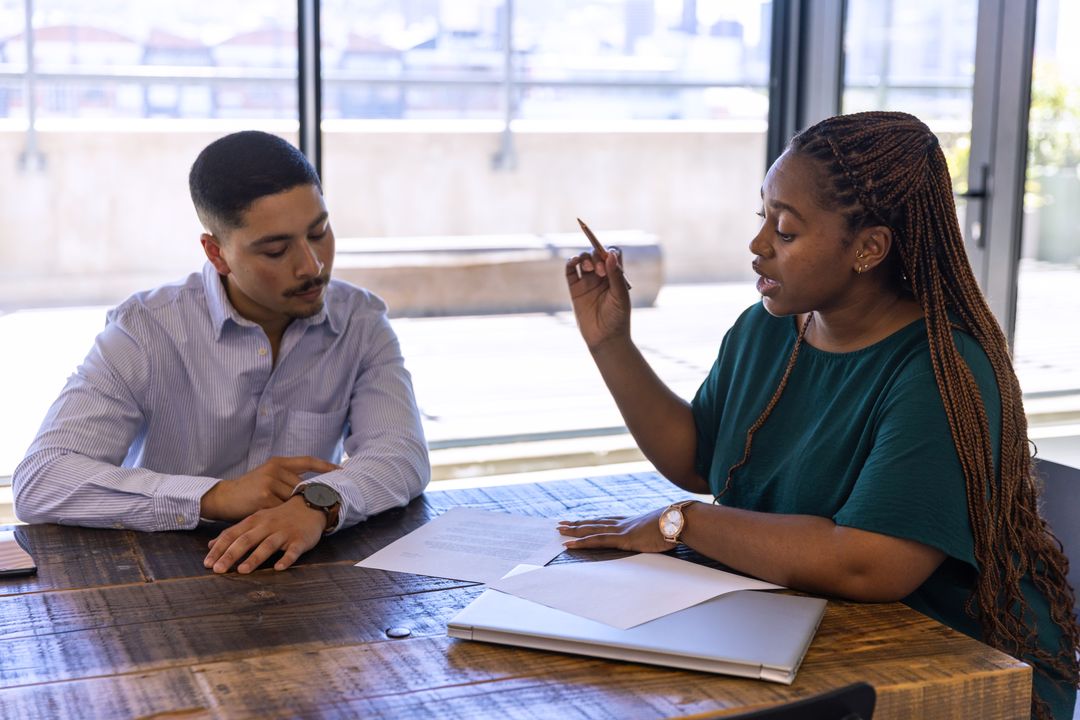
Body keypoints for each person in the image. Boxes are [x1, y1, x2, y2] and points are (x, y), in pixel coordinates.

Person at [558, 111, 1079, 719]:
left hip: (951, 664)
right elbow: (697, 459)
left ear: (868, 249)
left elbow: (870, 565)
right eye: (762, 218)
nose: (758, 245)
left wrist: (684, 523)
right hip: (797, 626)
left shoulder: (940, 370)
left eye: (784, 230)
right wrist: (611, 343)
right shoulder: (767, 329)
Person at [13, 131, 430, 576]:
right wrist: (214, 496)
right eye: (276, 250)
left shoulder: (360, 321)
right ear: (217, 254)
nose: (312, 265)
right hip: (162, 579)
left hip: (304, 575)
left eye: (319, 232)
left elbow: (401, 453)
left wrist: (318, 503)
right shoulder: (147, 330)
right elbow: (42, 479)